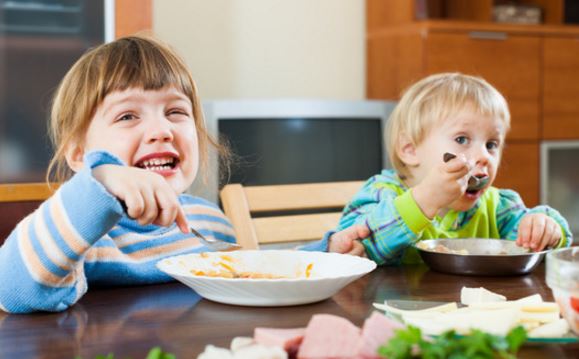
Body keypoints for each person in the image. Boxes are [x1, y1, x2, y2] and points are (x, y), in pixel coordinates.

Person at [0, 35, 365, 314]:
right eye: (128, 116)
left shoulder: (209, 219)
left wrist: (325, 253)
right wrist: (103, 181)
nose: (162, 130)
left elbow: (251, 276)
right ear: (80, 155)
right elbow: (13, 289)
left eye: (176, 112)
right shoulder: (83, 235)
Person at [335, 73, 572, 266]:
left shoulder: (497, 207)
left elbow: (530, 244)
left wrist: (543, 227)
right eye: (461, 139)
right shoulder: (381, 193)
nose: (483, 156)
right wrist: (425, 200)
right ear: (409, 149)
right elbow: (351, 246)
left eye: (491, 144)